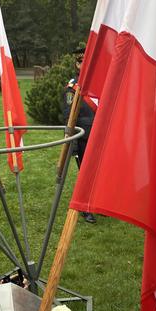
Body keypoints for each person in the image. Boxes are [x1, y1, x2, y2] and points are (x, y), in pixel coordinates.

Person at [63, 44, 97, 224]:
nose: (83, 65)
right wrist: (73, 144)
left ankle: (97, 204)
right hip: (83, 137)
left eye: (87, 61)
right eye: (80, 62)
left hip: (99, 136)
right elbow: (69, 117)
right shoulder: (72, 87)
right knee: (86, 175)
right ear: (76, 65)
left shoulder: (98, 83)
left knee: (98, 173)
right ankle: (85, 208)